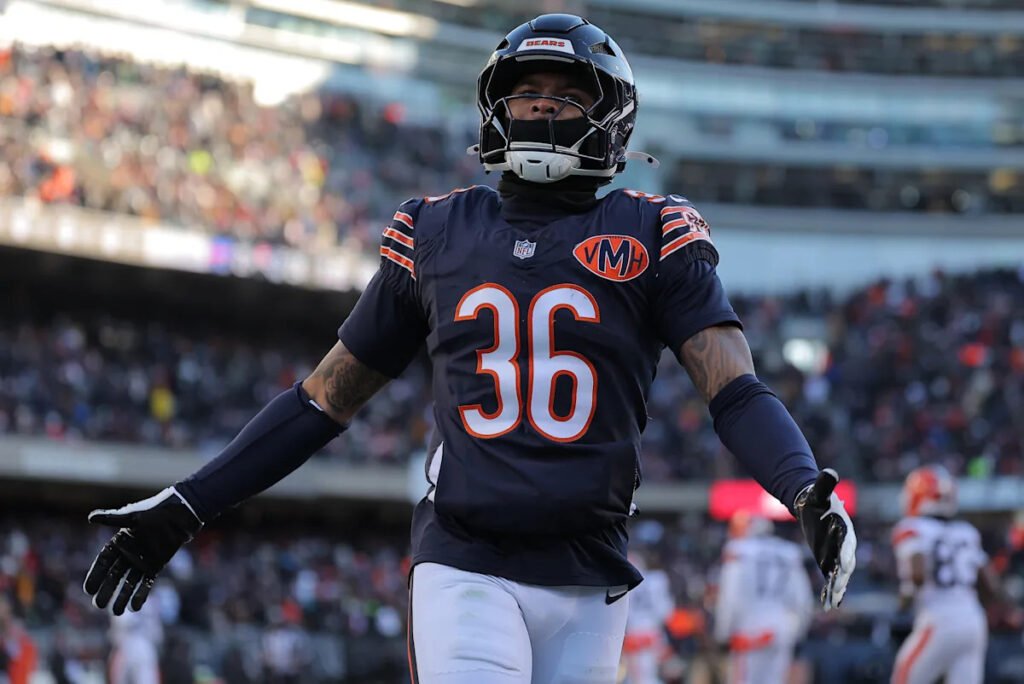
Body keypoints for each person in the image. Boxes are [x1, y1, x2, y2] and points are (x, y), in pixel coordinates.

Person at [82, 14, 857, 684]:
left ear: (611, 117)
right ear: (495, 109)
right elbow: (323, 400)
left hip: (590, 576)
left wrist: (801, 488)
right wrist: (190, 504)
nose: (544, 106)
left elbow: (734, 390)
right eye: (528, 92)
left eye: (569, 94)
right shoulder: (436, 230)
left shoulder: (652, 232)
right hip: (467, 562)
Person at [890, 465, 997, 684]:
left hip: (939, 619)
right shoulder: (967, 532)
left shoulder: (911, 528)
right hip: (973, 619)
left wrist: (905, 600)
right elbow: (990, 585)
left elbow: (917, 574)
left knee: (903, 678)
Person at [713, 512, 813, 684]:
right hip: (781, 628)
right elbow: (802, 600)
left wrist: (723, 632)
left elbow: (730, 596)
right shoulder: (789, 552)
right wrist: (798, 631)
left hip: (748, 629)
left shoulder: (737, 550)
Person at [621, 551, 674, 684]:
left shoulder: (622, 584)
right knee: (649, 676)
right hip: (652, 633)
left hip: (632, 634)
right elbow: (666, 612)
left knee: (636, 678)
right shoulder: (657, 580)